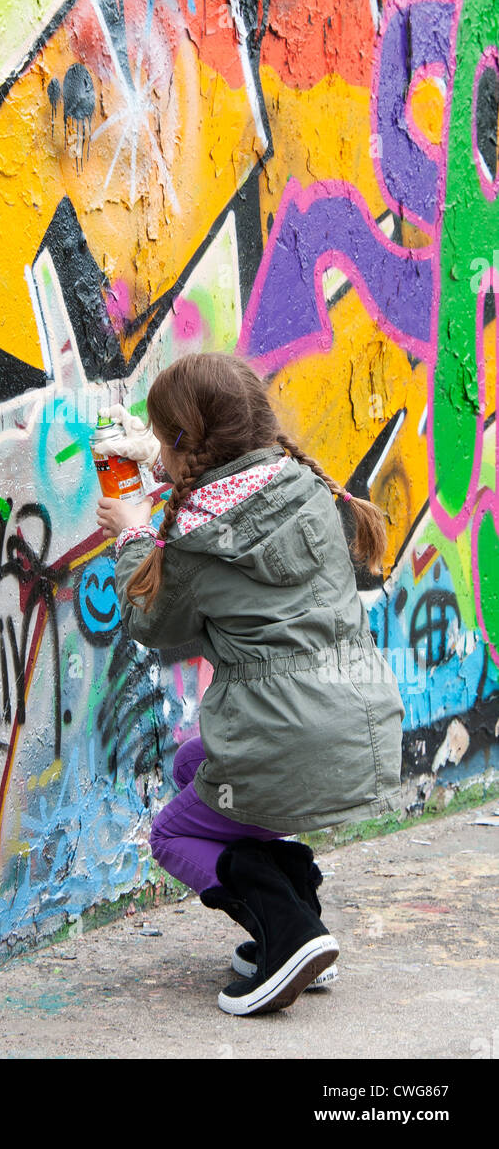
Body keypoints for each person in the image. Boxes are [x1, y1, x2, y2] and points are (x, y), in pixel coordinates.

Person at [95, 353, 404, 1015]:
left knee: (175, 835)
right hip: (362, 727)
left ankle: (286, 929)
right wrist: (157, 455)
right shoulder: (305, 487)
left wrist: (131, 536)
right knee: (191, 765)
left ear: (188, 445)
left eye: (164, 434)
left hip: (281, 743)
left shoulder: (197, 539)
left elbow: (152, 621)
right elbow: (232, 489)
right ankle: (298, 923)